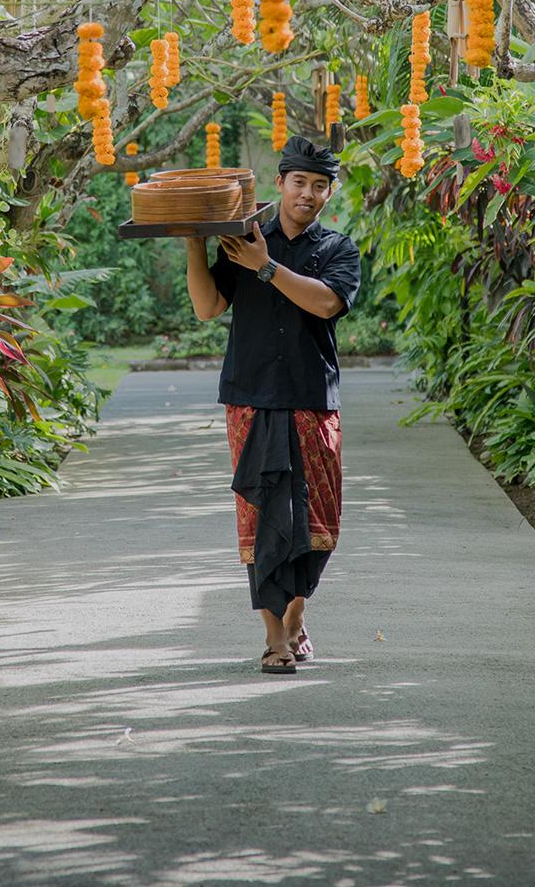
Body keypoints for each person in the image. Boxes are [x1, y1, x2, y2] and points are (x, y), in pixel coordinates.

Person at [183, 135, 362, 676]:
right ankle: (274, 638)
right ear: (280, 183)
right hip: (250, 398)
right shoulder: (240, 241)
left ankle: (297, 616)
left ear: (330, 192)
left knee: (318, 521)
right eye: (299, 182)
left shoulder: (338, 250)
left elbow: (326, 302)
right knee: (262, 518)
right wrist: (195, 242)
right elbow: (208, 307)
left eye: (319, 185)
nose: (307, 193)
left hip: (312, 398)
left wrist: (266, 268)